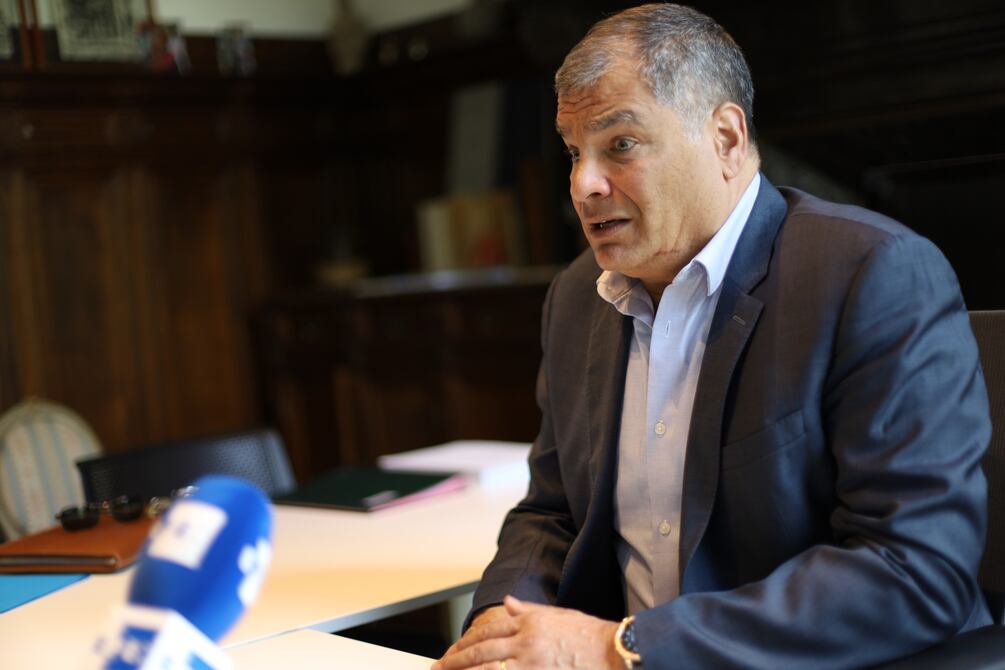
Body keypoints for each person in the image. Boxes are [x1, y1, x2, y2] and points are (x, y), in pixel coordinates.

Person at [433, 4, 991, 670]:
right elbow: (551, 512)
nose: (582, 185)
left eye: (620, 145)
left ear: (725, 139)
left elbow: (913, 569)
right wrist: (503, 624)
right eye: (574, 152)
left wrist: (620, 648)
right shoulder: (577, 296)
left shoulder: (872, 274)